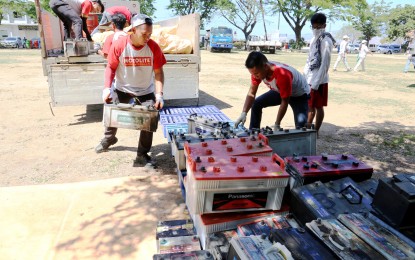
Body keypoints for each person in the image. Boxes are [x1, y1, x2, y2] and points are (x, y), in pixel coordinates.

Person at [95, 14, 166, 168]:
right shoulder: (120, 45)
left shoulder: (153, 47)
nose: (148, 37)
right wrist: (107, 88)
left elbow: (159, 73)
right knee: (112, 113)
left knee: (150, 119)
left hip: (145, 90)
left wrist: (159, 95)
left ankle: (142, 154)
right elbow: (111, 67)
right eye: (144, 34)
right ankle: (109, 139)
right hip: (122, 88)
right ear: (133, 30)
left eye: (150, 34)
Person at [234, 51, 310, 130]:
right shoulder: (258, 70)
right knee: (256, 104)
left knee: (301, 128)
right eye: (252, 74)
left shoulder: (282, 75)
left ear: (265, 67)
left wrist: (277, 124)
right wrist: (244, 113)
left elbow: (285, 101)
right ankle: (253, 132)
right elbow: (251, 93)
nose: (254, 76)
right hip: (280, 90)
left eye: (256, 74)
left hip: (299, 95)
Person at [303, 12, 335, 136]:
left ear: (324, 25)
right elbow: (309, 58)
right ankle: (307, 130)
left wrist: (316, 83)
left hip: (319, 80)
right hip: (310, 78)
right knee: (309, 105)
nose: (316, 30)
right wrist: (305, 75)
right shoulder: (313, 39)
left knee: (317, 107)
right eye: (313, 27)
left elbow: (325, 65)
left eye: (318, 27)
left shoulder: (326, 41)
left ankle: (315, 131)